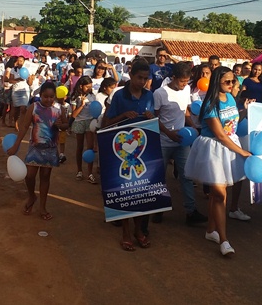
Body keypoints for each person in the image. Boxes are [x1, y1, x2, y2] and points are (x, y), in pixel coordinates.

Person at [184, 66, 251, 256]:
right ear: (216, 83)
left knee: (217, 194)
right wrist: (242, 152)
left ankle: (210, 231)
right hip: (214, 149)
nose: (231, 85)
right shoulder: (210, 104)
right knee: (220, 194)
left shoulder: (229, 97)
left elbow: (232, 124)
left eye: (233, 81)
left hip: (229, 147)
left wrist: (245, 111)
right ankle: (224, 240)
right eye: (227, 82)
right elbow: (220, 135)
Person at [101, 59, 155, 252]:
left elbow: (153, 122)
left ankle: (139, 230)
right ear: (130, 76)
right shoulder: (119, 96)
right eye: (139, 77)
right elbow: (106, 123)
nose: (142, 82)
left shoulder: (149, 96)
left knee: (141, 192)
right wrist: (124, 116)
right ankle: (125, 232)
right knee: (126, 192)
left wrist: (151, 118)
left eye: (145, 78)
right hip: (120, 151)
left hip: (143, 149)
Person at [153, 62, 207, 225]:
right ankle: (158, 209)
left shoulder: (186, 91)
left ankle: (191, 212)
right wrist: (168, 133)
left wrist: (193, 126)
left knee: (187, 176)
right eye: (182, 81)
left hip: (182, 142)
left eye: (186, 81)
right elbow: (154, 118)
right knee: (159, 177)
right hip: (163, 142)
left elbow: (185, 112)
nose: (184, 85)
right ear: (173, 78)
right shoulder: (159, 93)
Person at [6, 82, 70, 221]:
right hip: (35, 147)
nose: (48, 99)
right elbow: (24, 127)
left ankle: (42, 207)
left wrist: (62, 125)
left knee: (45, 177)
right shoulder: (34, 107)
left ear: (55, 96)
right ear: (40, 95)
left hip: (50, 149)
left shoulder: (60, 109)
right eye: (45, 96)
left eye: (51, 97)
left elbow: (66, 125)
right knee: (29, 176)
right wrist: (16, 145)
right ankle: (32, 196)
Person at [70, 76, 98, 183]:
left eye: (90, 86)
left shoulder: (92, 96)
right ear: (81, 86)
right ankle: (79, 171)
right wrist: (81, 105)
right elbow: (74, 114)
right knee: (80, 147)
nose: (89, 88)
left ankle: (90, 173)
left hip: (90, 122)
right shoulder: (75, 97)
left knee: (90, 147)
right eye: (87, 86)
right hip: (79, 122)